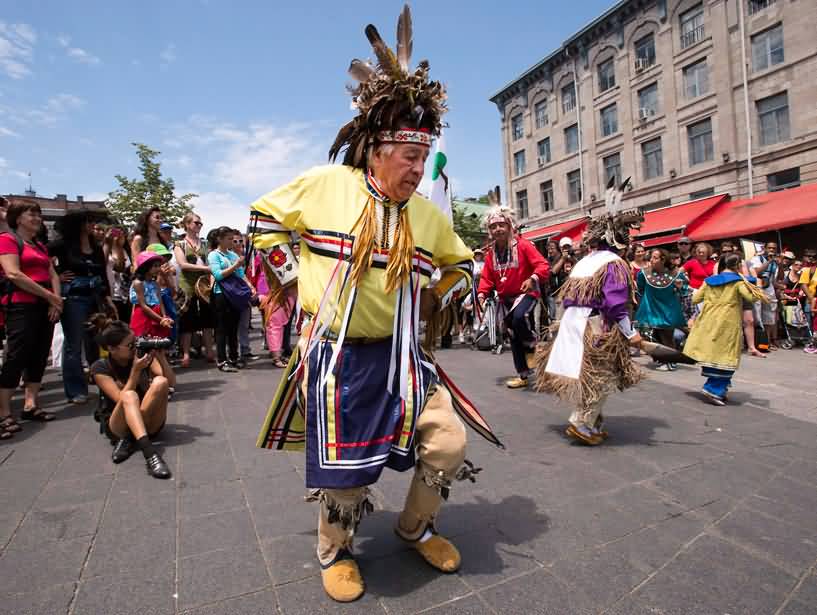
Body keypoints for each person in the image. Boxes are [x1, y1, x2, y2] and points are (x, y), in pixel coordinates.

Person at [247, 7, 501, 602]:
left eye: (424, 156)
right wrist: (291, 277)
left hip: (404, 357)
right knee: (347, 473)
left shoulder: (428, 215)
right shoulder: (326, 186)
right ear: (378, 150)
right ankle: (335, 549)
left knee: (448, 443)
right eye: (409, 156)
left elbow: (462, 265)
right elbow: (264, 220)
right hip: (337, 357)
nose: (418, 168)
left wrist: (440, 295)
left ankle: (414, 528)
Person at [535, 179, 643, 445]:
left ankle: (592, 421)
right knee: (601, 376)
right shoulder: (615, 263)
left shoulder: (585, 261)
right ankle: (581, 422)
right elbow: (616, 304)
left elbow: (569, 298)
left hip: (573, 324)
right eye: (627, 237)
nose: (629, 243)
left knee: (591, 375)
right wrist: (631, 334)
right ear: (618, 239)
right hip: (597, 328)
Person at [0, 201, 63, 438]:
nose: (37, 218)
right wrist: (49, 296)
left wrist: (55, 300)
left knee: (38, 355)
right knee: (17, 356)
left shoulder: (39, 245)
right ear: (18, 218)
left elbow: (52, 273)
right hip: (21, 305)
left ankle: (30, 405)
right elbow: (13, 273)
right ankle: (4, 412)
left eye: (38, 214)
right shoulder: (7, 239)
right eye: (31, 214)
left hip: (44, 306)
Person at [477, 190, 550, 389]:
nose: (498, 229)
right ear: (489, 231)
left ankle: (534, 345)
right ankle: (523, 375)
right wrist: (482, 293)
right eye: (493, 226)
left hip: (526, 294)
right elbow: (487, 277)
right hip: (505, 299)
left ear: (509, 226)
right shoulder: (491, 255)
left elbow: (543, 265)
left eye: (501, 225)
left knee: (519, 318)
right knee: (513, 335)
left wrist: (532, 278)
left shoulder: (524, 246)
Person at [90, 319, 172, 478]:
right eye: (130, 345)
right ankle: (150, 455)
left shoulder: (141, 355)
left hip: (147, 421)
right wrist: (135, 372)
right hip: (119, 427)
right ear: (112, 349)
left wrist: (161, 358)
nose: (135, 347)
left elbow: (170, 381)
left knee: (161, 382)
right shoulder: (100, 368)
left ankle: (132, 440)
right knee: (129, 395)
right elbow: (120, 399)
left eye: (136, 342)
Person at [49, 211, 114, 404]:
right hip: (73, 299)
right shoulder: (63, 245)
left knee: (99, 341)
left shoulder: (95, 247)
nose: (91, 225)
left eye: (92, 221)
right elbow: (40, 258)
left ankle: (102, 380)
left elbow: (102, 273)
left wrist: (107, 297)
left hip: (95, 297)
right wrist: (57, 276)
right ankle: (76, 389)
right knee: (74, 344)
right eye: (88, 221)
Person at [684, 253, 766, 405]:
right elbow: (752, 298)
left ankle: (718, 388)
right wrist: (758, 284)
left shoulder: (709, 281)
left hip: (708, 321)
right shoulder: (738, 282)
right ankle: (713, 389)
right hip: (727, 323)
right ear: (737, 266)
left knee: (713, 353)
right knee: (727, 355)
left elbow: (695, 299)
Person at [208, 226, 253, 372]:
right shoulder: (213, 255)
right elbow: (218, 275)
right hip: (221, 294)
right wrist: (235, 266)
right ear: (219, 239)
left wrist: (250, 287)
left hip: (235, 295)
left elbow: (241, 275)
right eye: (228, 239)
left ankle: (234, 357)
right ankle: (222, 360)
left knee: (233, 328)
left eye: (232, 239)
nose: (231, 241)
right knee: (221, 329)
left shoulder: (233, 255)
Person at [173, 212, 215, 367]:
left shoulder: (204, 244)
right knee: (187, 321)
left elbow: (210, 262)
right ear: (187, 224)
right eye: (196, 223)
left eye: (200, 223)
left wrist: (209, 275)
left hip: (203, 285)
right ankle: (185, 353)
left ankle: (209, 350)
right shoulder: (180, 244)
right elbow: (182, 264)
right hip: (187, 286)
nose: (199, 225)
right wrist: (205, 268)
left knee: (207, 319)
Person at [636, 249, 688, 371]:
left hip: (668, 309)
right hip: (651, 308)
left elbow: (684, 290)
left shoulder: (675, 273)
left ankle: (671, 361)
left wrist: (680, 287)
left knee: (667, 335)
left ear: (663, 259)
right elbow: (640, 289)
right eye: (651, 257)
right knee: (654, 335)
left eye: (655, 257)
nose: (651, 260)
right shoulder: (644, 273)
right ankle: (663, 359)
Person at [718, 240, 763, 357]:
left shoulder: (743, 262)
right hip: (728, 296)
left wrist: (754, 284)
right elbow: (716, 278)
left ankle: (751, 347)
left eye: (729, 251)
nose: (727, 253)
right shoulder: (720, 263)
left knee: (749, 320)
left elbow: (754, 277)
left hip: (743, 293)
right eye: (724, 251)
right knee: (728, 322)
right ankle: (727, 347)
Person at [130, 251, 173, 339]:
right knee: (144, 342)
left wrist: (164, 317)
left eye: (159, 266)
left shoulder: (155, 284)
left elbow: (160, 303)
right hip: (143, 316)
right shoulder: (138, 283)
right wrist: (161, 320)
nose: (158, 269)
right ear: (145, 267)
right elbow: (143, 306)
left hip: (157, 315)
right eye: (155, 266)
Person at [749, 241, 781, 350]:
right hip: (758, 289)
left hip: (769, 290)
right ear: (765, 248)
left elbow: (777, 278)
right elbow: (756, 272)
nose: (772, 250)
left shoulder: (775, 263)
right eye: (770, 248)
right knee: (757, 316)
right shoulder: (757, 259)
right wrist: (769, 261)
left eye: (774, 248)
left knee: (769, 317)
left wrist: (780, 264)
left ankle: (766, 342)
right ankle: (755, 342)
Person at [104, 227, 133, 323]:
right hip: (112, 294)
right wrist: (113, 244)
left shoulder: (125, 251)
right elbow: (116, 266)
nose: (119, 237)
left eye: (122, 234)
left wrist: (119, 246)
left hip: (124, 295)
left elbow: (122, 268)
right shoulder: (104, 249)